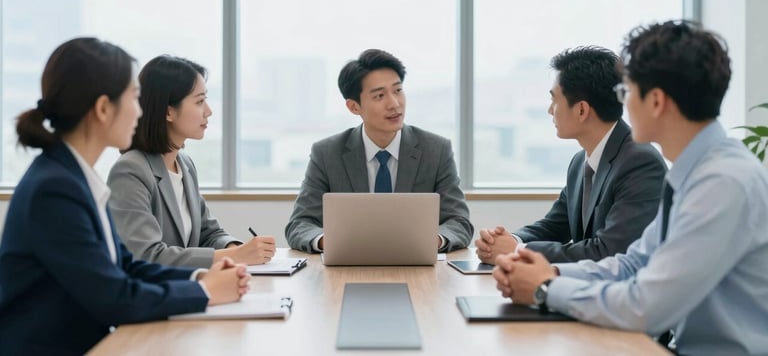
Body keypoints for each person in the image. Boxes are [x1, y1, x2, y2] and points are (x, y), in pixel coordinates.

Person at [493, 21, 768, 355]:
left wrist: (547, 288)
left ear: (656, 101)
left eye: (626, 92)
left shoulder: (723, 183)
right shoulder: (695, 172)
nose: (621, 105)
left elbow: (645, 305)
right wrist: (548, 271)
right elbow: (632, 264)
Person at [0, 38, 250, 356]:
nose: (141, 110)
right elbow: (114, 297)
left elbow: (127, 266)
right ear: (104, 109)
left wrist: (202, 275)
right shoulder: (54, 189)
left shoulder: (75, 177)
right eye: (134, 97)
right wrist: (203, 291)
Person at [475, 47, 666, 263]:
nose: (550, 110)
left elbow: (610, 251)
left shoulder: (640, 162)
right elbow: (555, 226)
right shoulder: (580, 162)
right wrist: (509, 241)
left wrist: (517, 250)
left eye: (555, 100)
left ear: (581, 110)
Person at [285, 49, 473, 253]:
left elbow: (459, 222)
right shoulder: (327, 153)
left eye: (398, 90)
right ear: (354, 107)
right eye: (380, 96)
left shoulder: (436, 150)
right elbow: (300, 224)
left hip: (416, 263)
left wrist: (432, 241)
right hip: (349, 263)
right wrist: (328, 242)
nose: (394, 104)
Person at [108, 55, 275, 267]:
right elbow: (145, 255)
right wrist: (235, 256)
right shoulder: (130, 170)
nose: (209, 111)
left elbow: (208, 233)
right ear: (168, 112)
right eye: (199, 101)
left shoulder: (184, 164)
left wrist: (235, 248)